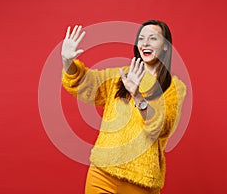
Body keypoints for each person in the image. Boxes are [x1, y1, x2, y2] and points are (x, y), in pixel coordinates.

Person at [61, 20, 186, 194]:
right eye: (141, 38)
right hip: (102, 175)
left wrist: (137, 95)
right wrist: (67, 62)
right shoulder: (120, 76)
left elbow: (162, 127)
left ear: (165, 46)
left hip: (141, 182)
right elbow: (86, 84)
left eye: (153, 38)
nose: (145, 43)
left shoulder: (174, 88)